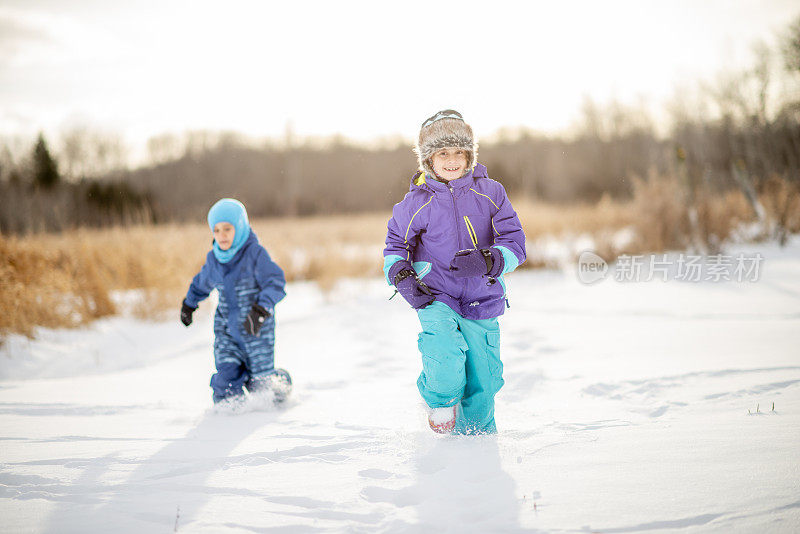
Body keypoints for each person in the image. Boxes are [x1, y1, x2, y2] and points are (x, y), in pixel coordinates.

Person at [383, 110, 526, 434]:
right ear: (428, 159)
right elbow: (395, 247)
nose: (451, 160)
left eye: (459, 152)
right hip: (435, 294)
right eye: (442, 153)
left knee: (486, 378)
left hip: (482, 295)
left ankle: (476, 437)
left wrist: (490, 260)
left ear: (469, 155)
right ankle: (442, 400)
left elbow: (515, 242)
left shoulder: (491, 192)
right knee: (444, 352)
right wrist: (404, 278)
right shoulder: (414, 202)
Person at [180, 198, 291, 405]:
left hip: (256, 328)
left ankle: (281, 383)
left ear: (239, 227)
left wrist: (261, 310)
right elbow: (202, 282)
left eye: (227, 229)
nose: (221, 235)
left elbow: (275, 282)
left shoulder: (255, 254)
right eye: (216, 230)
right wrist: (189, 303)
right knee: (226, 378)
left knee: (262, 387)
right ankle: (228, 415)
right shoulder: (215, 259)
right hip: (226, 330)